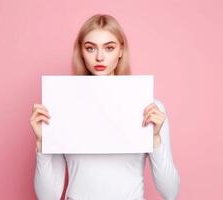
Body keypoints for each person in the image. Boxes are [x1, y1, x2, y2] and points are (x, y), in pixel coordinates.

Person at [30, 14, 180, 200]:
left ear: (121, 51)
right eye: (90, 48)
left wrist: (155, 139)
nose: (100, 57)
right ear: (81, 52)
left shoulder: (151, 108)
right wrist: (43, 144)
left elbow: (170, 192)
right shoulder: (63, 105)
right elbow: (47, 197)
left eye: (109, 48)